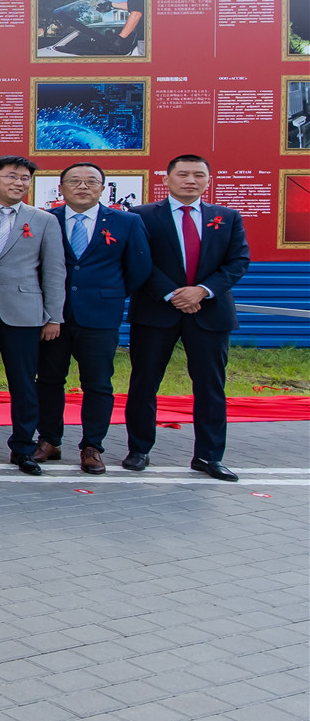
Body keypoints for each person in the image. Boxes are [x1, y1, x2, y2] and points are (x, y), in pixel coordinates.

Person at [123, 154, 250, 482]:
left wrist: (202, 291)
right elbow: (139, 260)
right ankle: (139, 449)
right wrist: (172, 294)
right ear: (167, 179)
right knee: (144, 383)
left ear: (208, 180)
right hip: (156, 311)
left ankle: (209, 456)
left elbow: (238, 261)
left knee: (210, 386)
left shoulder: (228, 217)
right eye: (183, 174)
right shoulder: (141, 216)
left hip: (210, 312)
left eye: (198, 175)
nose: (190, 180)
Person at [34, 161, 152, 475]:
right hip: (53, 317)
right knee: (49, 380)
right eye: (74, 181)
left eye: (91, 181)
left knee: (98, 384)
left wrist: (109, 293)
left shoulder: (127, 222)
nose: (83, 186)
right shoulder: (45, 219)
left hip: (101, 316)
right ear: (61, 188)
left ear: (103, 188)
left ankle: (92, 446)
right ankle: (49, 440)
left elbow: (139, 268)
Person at [0, 156, 65, 475]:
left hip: (24, 314)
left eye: (25, 178)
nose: (19, 182)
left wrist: (54, 316)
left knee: (23, 384)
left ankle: (23, 448)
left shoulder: (43, 220)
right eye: (12, 176)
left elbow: (54, 271)